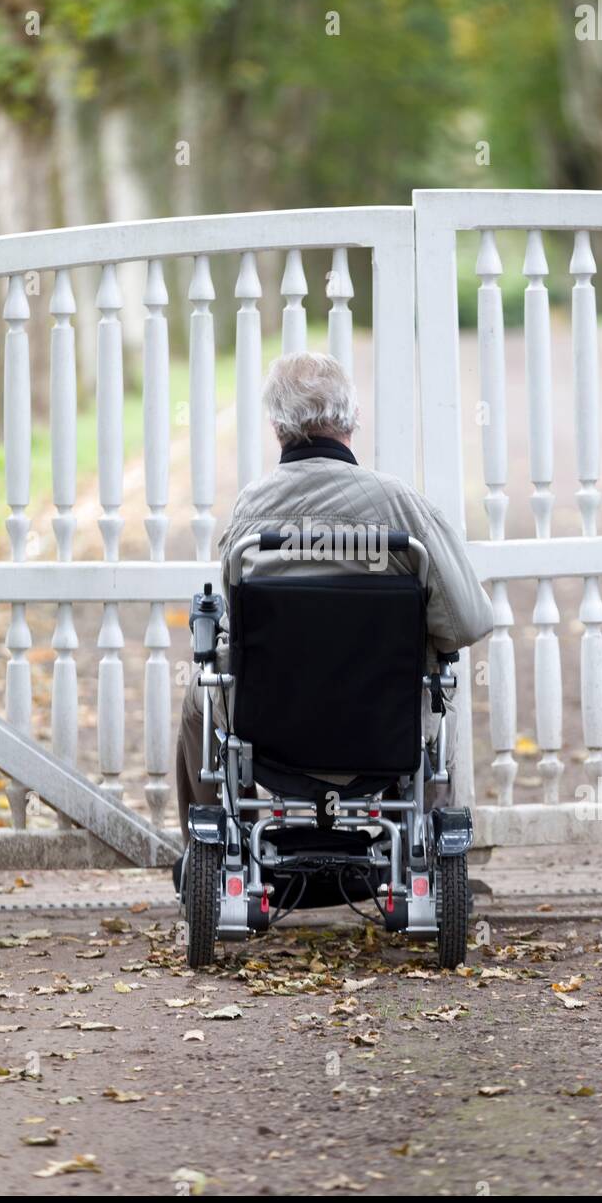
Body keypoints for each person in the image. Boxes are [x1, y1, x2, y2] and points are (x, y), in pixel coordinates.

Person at [176, 351, 493, 841]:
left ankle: (218, 839)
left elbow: (236, 630)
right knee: (441, 684)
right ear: (353, 418)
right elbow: (468, 622)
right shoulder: (399, 507)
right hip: (382, 729)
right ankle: (423, 839)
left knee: (202, 695)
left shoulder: (249, 512)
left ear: (277, 425)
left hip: (271, 735)